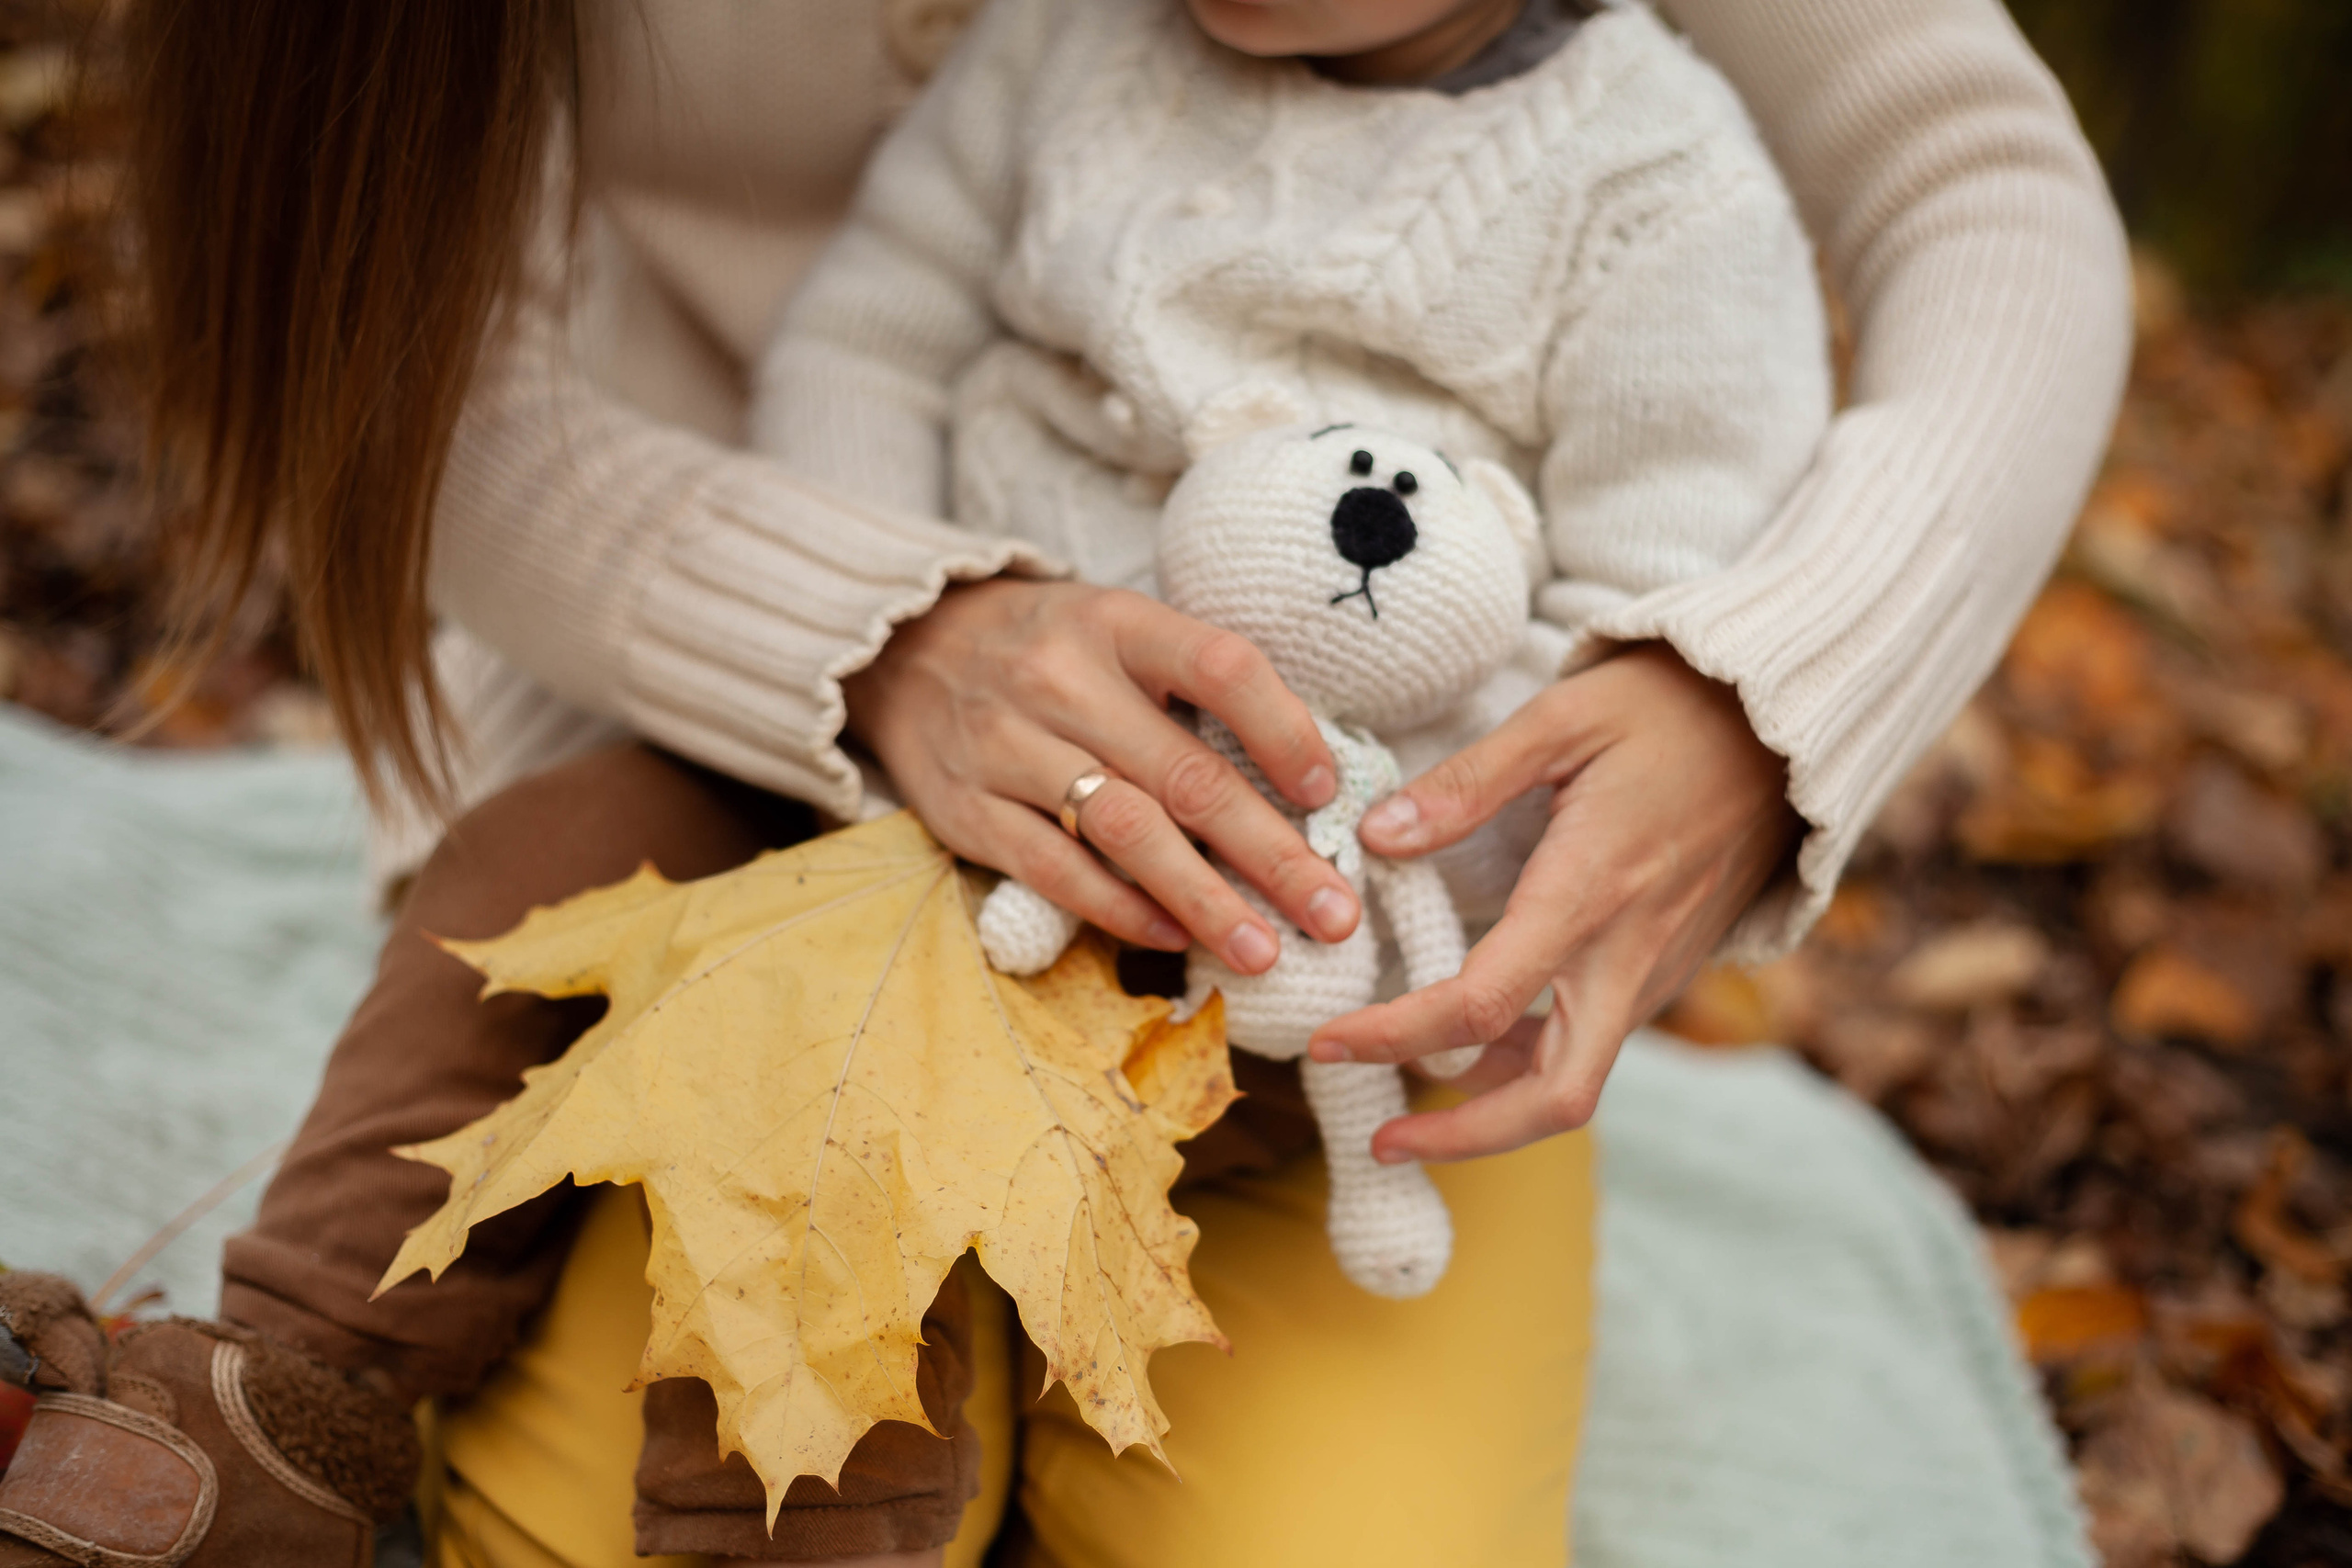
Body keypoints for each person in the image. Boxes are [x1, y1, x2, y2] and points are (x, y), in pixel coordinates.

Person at [0, 0, 2132, 1563]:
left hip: (1313, 956)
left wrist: (1732, 708)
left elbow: (1973, 203)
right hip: (739, 776)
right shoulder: (1062, 57)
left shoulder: (1650, 169)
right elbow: (569, 378)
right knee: (616, 1484)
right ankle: (287, 1403)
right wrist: (884, 638)